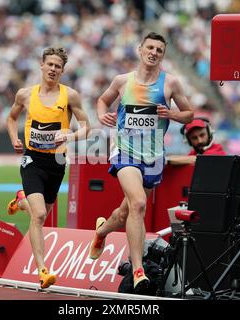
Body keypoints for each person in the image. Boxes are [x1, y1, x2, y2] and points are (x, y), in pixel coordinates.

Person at [88, 32, 194, 293]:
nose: (154, 52)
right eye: (150, 47)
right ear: (140, 49)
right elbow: (102, 100)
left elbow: (189, 114)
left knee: (126, 213)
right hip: (125, 152)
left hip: (153, 157)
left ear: (163, 54)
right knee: (138, 204)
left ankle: (101, 231)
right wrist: (103, 116)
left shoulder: (171, 84)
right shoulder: (123, 81)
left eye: (159, 49)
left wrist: (172, 114)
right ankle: (138, 269)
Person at [6, 47, 90, 289]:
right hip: (32, 159)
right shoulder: (25, 95)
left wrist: (69, 136)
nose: (53, 69)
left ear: (63, 71)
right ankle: (43, 270)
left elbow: (87, 128)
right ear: (41, 66)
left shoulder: (70, 96)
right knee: (40, 215)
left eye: (58, 66)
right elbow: (11, 118)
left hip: (56, 163)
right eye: (50, 64)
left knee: (42, 210)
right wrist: (14, 138)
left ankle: (20, 200)